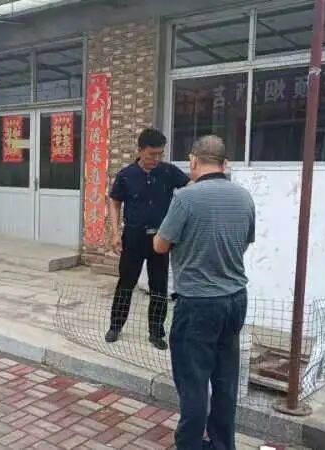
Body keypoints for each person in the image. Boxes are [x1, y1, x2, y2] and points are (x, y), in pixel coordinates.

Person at [154, 135, 255, 450]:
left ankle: (189, 445)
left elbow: (161, 245)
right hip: (235, 299)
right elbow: (245, 241)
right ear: (224, 164)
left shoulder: (185, 198)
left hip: (197, 303)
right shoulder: (244, 197)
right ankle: (223, 444)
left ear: (194, 160)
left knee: (193, 381)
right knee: (225, 380)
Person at [105, 128, 191, 350]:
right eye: (152, 154)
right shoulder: (126, 175)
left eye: (160, 153)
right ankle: (115, 325)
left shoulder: (169, 172)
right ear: (141, 150)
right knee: (126, 283)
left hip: (161, 239)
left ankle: (156, 332)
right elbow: (115, 202)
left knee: (159, 287)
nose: (156, 158)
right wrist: (115, 233)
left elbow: (191, 187)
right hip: (133, 237)